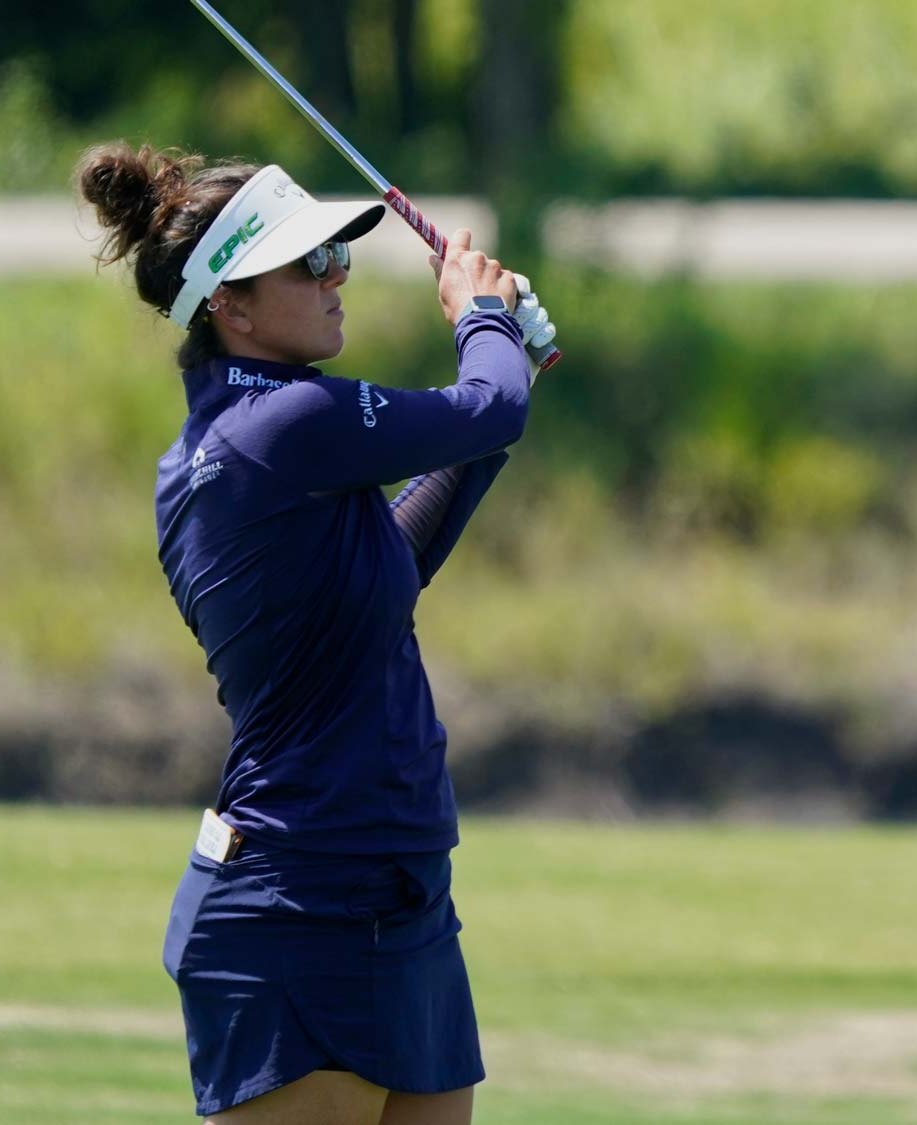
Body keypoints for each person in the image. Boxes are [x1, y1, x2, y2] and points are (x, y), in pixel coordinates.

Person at [76, 141, 554, 1125]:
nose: (338, 278)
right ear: (231, 306)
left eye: (337, 255)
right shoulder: (277, 426)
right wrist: (486, 321)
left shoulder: (266, 434)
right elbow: (484, 401)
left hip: (399, 891)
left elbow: (391, 561)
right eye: (310, 263)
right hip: (299, 906)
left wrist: (504, 374)